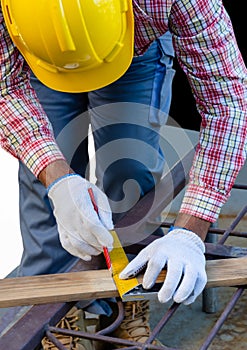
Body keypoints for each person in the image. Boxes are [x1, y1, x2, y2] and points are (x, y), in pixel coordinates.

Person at [1, 0, 247, 348]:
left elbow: (228, 104)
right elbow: (6, 88)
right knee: (43, 188)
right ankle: (53, 315)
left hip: (136, 54)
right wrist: (56, 178)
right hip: (37, 58)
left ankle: (127, 302)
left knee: (130, 169)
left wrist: (191, 231)